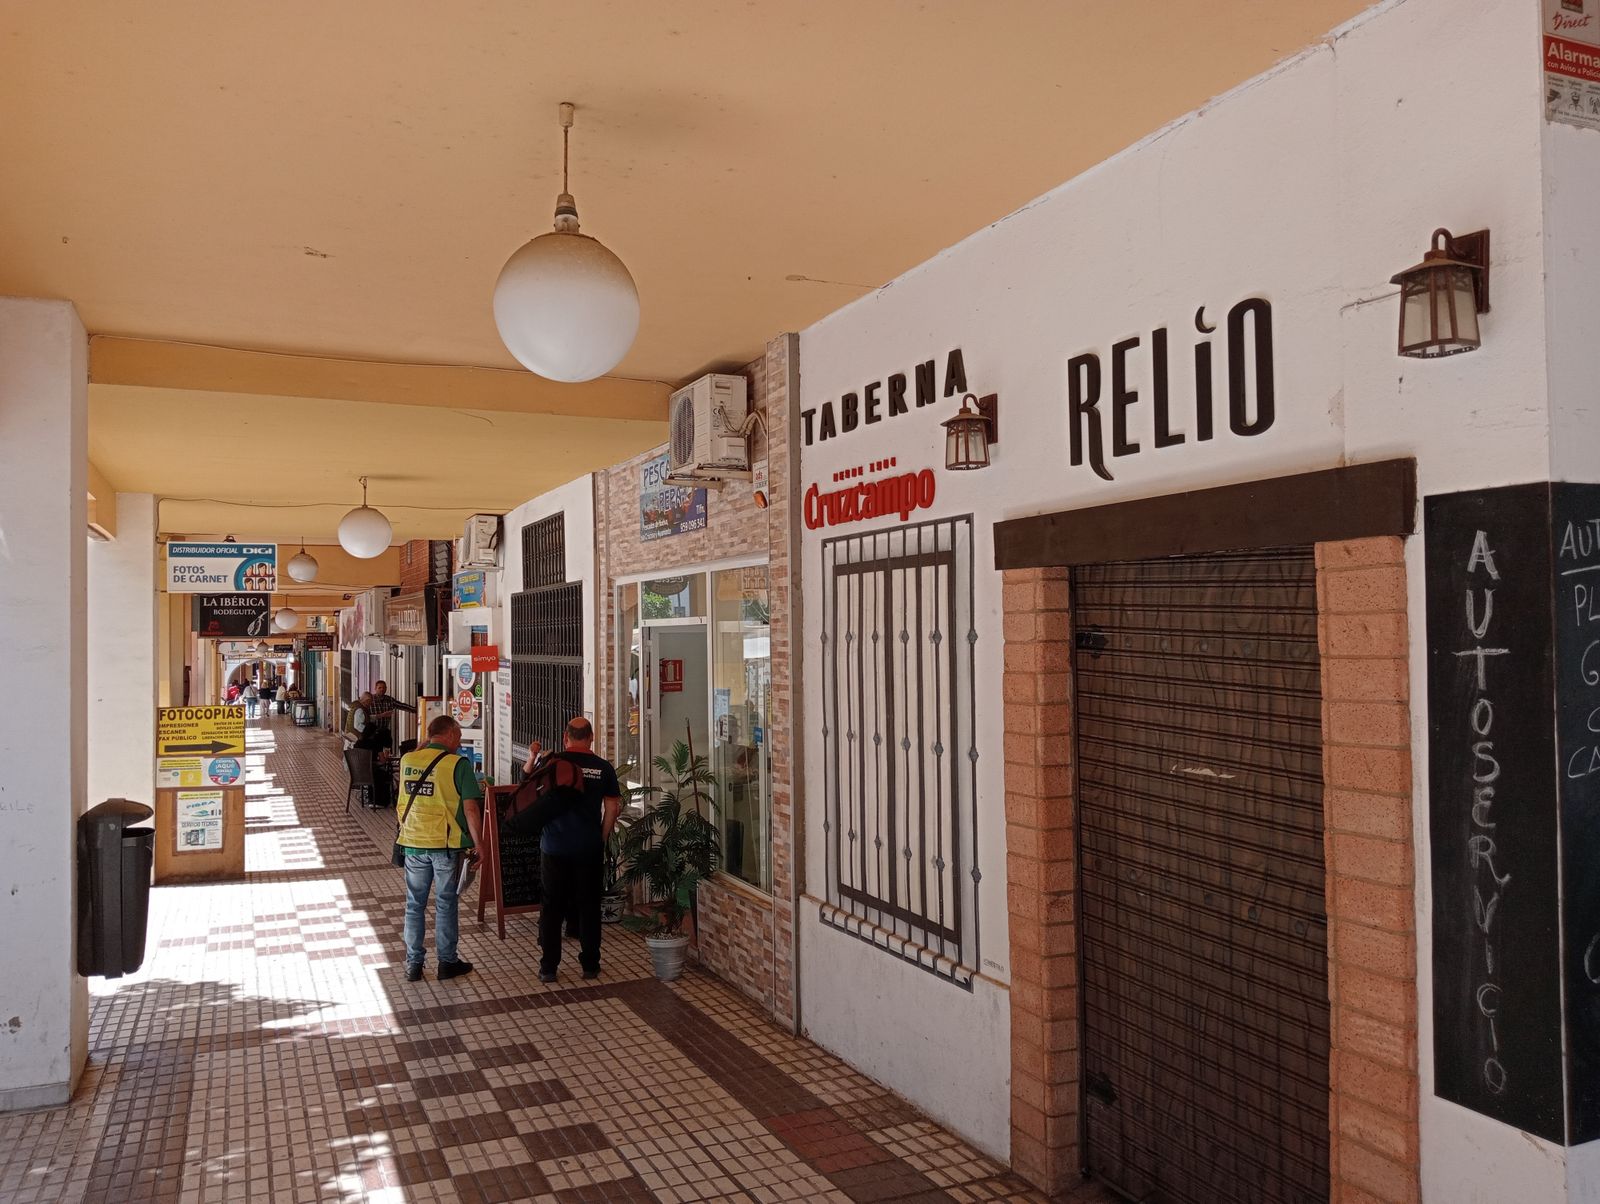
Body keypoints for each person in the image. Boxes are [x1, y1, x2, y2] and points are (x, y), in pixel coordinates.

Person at [523, 716, 622, 983]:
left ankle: (548, 967)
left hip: (553, 846)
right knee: (589, 905)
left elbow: (529, 792)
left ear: (566, 738)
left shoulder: (552, 763)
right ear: (591, 738)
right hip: (587, 847)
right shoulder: (603, 768)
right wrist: (600, 837)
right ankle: (590, 964)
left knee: (551, 907)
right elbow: (612, 807)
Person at [397, 715, 483, 983]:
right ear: (448, 734)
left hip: (413, 843)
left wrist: (430, 741)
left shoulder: (408, 760)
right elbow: (471, 808)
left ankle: (414, 964)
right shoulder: (458, 765)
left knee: (414, 905)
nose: (459, 742)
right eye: (457, 736)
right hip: (445, 846)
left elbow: (423, 753)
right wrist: (480, 844)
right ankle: (447, 962)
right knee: (445, 904)